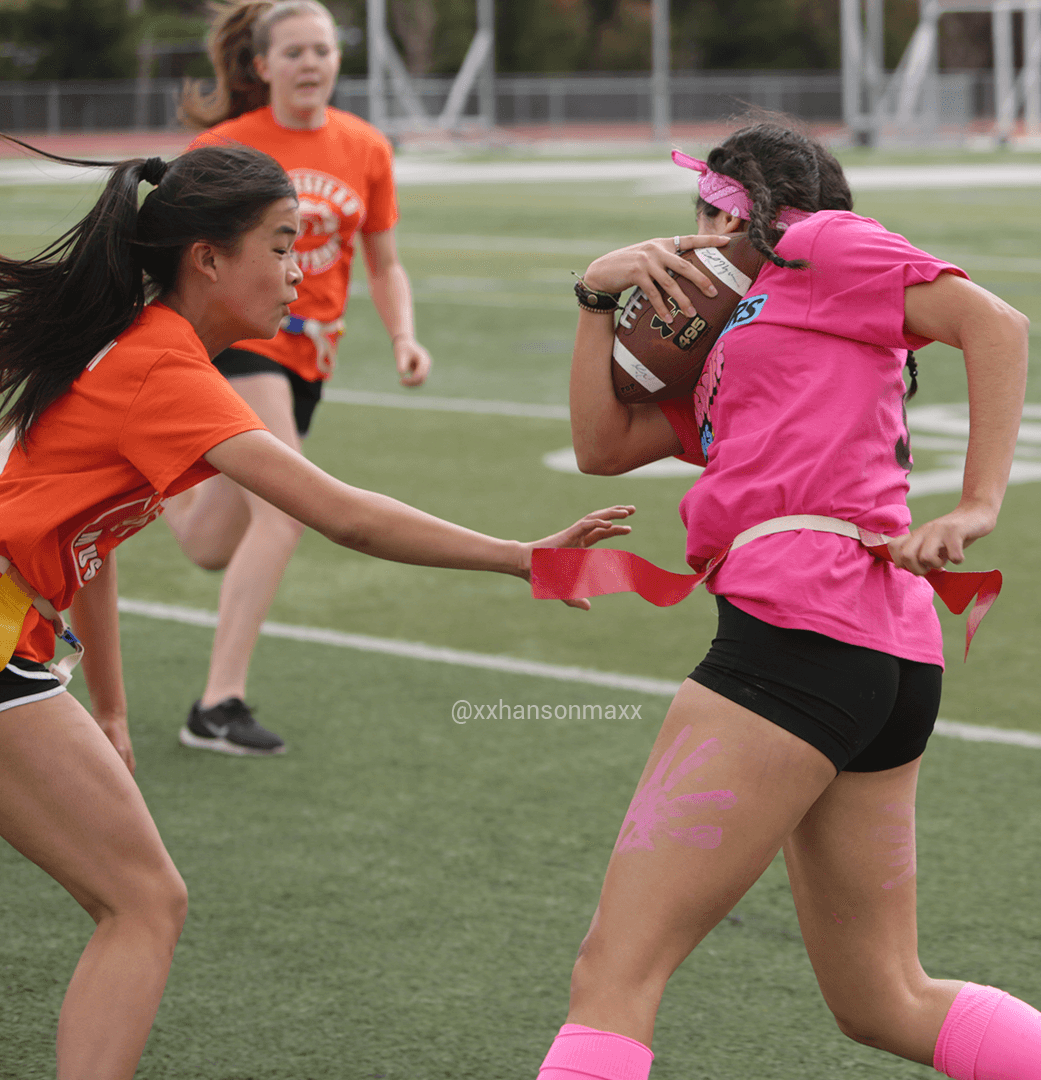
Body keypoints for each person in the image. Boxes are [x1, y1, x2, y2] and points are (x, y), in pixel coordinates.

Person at [0, 140, 630, 1080]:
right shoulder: (161, 367)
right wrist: (521, 558)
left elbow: (83, 546)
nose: (303, 270)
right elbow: (344, 515)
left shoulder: (140, 347)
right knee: (144, 902)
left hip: (15, 642)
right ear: (209, 258)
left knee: (139, 900)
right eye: (283, 244)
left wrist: (114, 708)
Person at [540, 122, 1041, 1080]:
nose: (695, 238)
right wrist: (595, 298)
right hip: (877, 652)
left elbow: (997, 324)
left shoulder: (817, 244)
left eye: (712, 214)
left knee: (614, 976)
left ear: (754, 210)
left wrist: (977, 504)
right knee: (884, 1000)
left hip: (799, 638)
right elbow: (601, 446)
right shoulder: (740, 330)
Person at [164, 0, 429, 756]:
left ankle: (146, 466)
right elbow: (175, 250)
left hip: (310, 358)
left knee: (212, 543)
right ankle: (217, 705)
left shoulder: (365, 145)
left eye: (323, 49)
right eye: (294, 52)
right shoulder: (224, 147)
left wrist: (404, 336)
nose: (311, 63)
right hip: (239, 344)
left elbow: (384, 263)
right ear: (262, 66)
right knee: (287, 511)